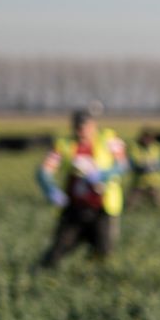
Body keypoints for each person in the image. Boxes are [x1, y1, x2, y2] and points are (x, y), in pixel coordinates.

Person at [35, 108, 128, 267]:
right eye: (78, 127)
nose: (82, 131)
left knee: (103, 251)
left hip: (102, 208)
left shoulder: (108, 139)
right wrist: (50, 189)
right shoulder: (64, 145)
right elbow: (44, 171)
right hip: (75, 208)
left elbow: (123, 165)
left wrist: (103, 175)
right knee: (58, 249)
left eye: (86, 126)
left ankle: (90, 278)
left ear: (93, 125)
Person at [127, 128, 160, 209]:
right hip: (139, 182)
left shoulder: (157, 147)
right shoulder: (134, 147)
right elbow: (133, 163)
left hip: (154, 182)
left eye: (150, 137)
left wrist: (155, 167)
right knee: (130, 204)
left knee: (159, 204)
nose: (148, 139)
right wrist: (143, 167)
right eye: (146, 137)